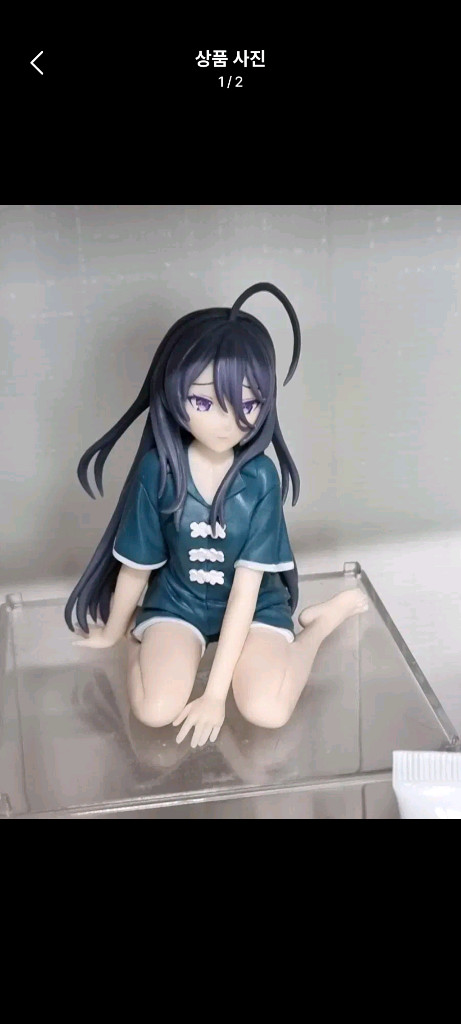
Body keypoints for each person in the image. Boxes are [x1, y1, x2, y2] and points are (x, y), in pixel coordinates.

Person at [65, 282, 368, 748]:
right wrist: (113, 632)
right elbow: (136, 566)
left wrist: (214, 695)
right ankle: (136, 644)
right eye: (204, 402)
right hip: (177, 604)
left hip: (256, 608)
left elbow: (246, 591)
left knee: (266, 710)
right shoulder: (159, 471)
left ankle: (322, 624)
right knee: (154, 709)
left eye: (248, 404)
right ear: (173, 394)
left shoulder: (260, 478)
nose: (227, 423)